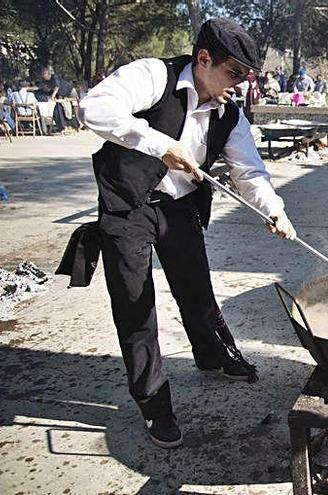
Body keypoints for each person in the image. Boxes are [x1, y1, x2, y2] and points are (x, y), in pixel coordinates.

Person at [78, 18, 297, 448]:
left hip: (178, 205)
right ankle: (154, 405)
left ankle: (214, 355)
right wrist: (160, 144)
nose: (239, 84)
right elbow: (95, 107)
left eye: (246, 77)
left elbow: (249, 171)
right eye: (233, 73)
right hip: (128, 204)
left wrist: (274, 210)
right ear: (203, 59)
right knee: (136, 304)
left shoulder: (230, 115)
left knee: (196, 287)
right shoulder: (153, 76)